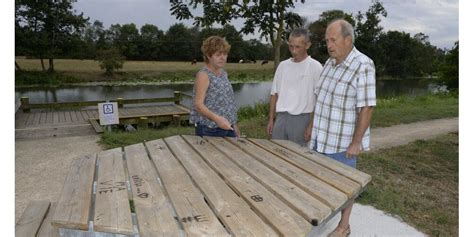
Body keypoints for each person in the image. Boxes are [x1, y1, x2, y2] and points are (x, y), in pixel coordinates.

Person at [307, 19, 376, 237]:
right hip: (320, 138)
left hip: (342, 142)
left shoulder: (363, 65)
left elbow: (366, 107)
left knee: (345, 188)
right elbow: (320, 98)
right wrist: (311, 125)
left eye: (333, 39)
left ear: (348, 39)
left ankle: (343, 226)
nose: (329, 44)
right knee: (320, 182)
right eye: (327, 40)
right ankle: (320, 217)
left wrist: (356, 142)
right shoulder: (329, 63)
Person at [266, 28, 323, 146]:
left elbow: (320, 100)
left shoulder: (315, 67)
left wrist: (311, 125)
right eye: (291, 46)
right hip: (281, 118)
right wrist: (271, 119)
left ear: (307, 45)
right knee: (277, 153)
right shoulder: (282, 66)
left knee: (299, 157)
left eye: (298, 47)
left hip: (302, 119)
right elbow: (274, 94)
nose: (294, 51)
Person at [190, 36, 240, 137]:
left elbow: (228, 101)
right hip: (209, 129)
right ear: (209, 55)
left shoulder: (223, 73)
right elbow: (198, 105)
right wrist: (217, 119)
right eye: (218, 54)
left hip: (228, 127)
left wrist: (234, 125)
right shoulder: (204, 75)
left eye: (225, 54)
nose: (223, 58)